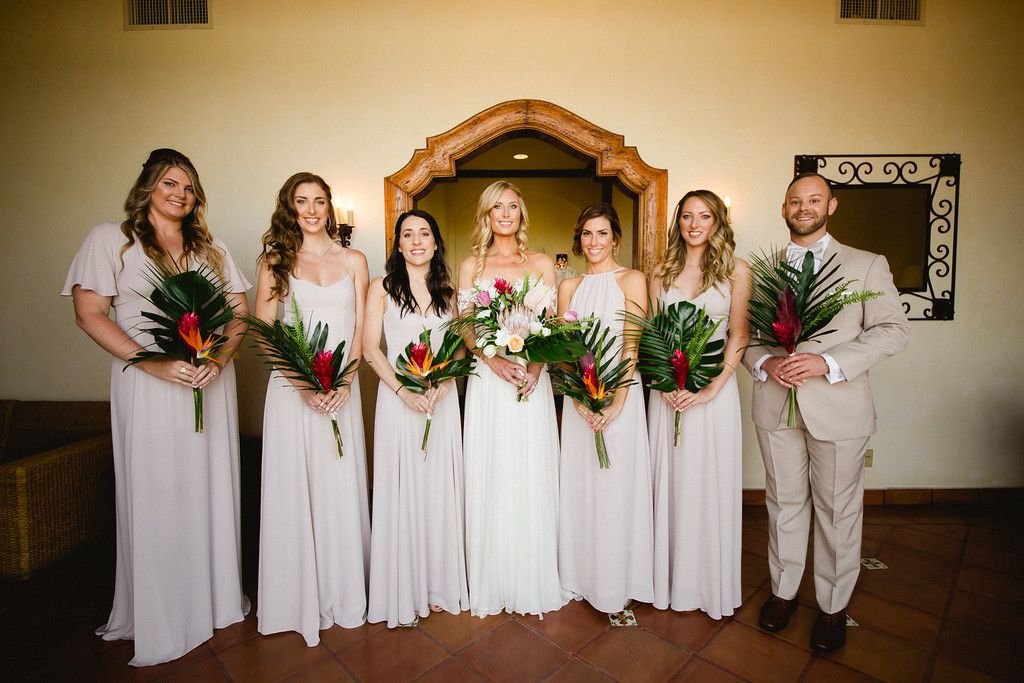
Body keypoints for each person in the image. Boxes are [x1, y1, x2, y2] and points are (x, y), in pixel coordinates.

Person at [62, 148, 250, 666]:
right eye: (170, 183)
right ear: (148, 186)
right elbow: (89, 313)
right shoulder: (112, 240)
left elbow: (238, 313)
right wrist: (153, 364)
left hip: (210, 380)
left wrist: (221, 356)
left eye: (189, 188)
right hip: (148, 382)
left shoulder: (210, 248)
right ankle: (164, 610)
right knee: (159, 489)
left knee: (209, 486)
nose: (180, 194)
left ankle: (212, 598)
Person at [743, 172, 909, 652]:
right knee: (784, 503)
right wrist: (766, 362)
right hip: (776, 404)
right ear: (783, 207)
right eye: (795, 200)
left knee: (838, 510)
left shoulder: (865, 264)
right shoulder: (763, 268)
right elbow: (747, 338)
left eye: (814, 199)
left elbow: (892, 330)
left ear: (831, 206)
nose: (804, 207)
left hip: (838, 406)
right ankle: (783, 593)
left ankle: (833, 607)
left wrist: (828, 362)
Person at [254, 172, 370, 646]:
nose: (311, 209)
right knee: (294, 485)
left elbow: (364, 326)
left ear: (330, 208)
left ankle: (344, 590)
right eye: (301, 201)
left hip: (343, 388)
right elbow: (263, 330)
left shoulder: (356, 260)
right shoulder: (275, 262)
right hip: (292, 391)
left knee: (339, 480)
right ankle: (294, 595)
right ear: (289, 207)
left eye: (319, 201)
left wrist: (345, 379)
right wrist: (302, 385)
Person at [457, 180, 569, 617]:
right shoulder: (472, 265)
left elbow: (554, 324)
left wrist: (537, 367)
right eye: (497, 207)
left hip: (530, 379)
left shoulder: (541, 262)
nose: (505, 214)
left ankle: (531, 572)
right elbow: (465, 324)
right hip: (489, 381)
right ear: (486, 215)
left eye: (513, 207)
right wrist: (493, 361)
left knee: (529, 467)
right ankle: (493, 575)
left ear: (522, 214)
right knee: (492, 467)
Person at [648, 190, 751, 619]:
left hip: (712, 395)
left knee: (707, 484)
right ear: (678, 223)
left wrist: (712, 387)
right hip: (667, 394)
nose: (694, 224)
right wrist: (662, 381)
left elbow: (739, 335)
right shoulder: (660, 272)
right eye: (687, 216)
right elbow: (651, 335)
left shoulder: (737, 271)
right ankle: (668, 580)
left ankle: (707, 582)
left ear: (717, 223)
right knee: (670, 483)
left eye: (704, 216)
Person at [365, 210, 469, 627]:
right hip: (399, 401)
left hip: (441, 401)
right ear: (398, 243)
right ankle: (403, 585)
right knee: (403, 486)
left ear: (436, 240)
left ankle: (438, 583)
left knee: (437, 487)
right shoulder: (381, 288)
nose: (416, 241)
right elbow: (371, 348)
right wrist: (403, 392)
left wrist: (446, 387)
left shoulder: (450, 291)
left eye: (424, 233)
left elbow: (463, 346)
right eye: (408, 234)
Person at [556, 203, 654, 613]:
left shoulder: (632, 279)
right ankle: (580, 575)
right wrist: (579, 400)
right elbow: (563, 351)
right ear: (578, 240)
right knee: (582, 488)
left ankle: (617, 579)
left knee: (616, 486)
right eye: (586, 234)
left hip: (620, 398)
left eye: (602, 233)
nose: (594, 242)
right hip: (580, 404)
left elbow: (632, 344)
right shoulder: (568, 287)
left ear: (615, 238)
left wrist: (616, 402)